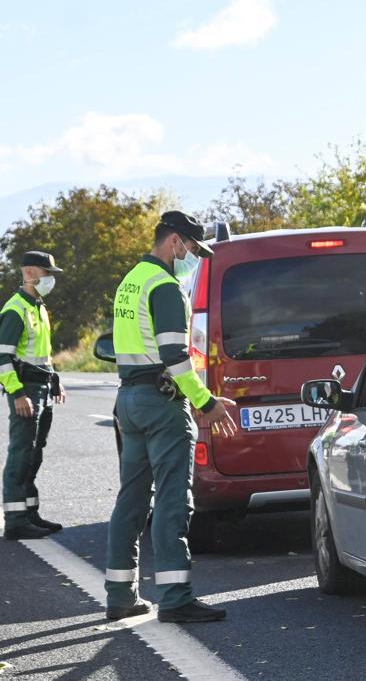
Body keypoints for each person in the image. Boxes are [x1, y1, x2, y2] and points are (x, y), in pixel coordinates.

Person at [103, 211, 238, 623]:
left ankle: (120, 594)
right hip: (161, 404)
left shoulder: (131, 280)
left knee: (132, 498)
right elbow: (176, 359)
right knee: (173, 500)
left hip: (129, 399)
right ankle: (175, 597)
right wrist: (206, 402)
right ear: (175, 241)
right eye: (193, 249)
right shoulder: (163, 286)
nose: (193, 256)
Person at [1, 251, 66, 540]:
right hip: (25, 389)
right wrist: (17, 393)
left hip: (41, 387)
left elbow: (41, 354)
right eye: (45, 272)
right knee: (21, 452)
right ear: (29, 273)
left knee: (34, 452)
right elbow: (2, 358)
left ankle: (29, 512)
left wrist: (55, 380)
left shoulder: (37, 305)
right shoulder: (15, 309)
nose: (50, 279)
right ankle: (15, 520)